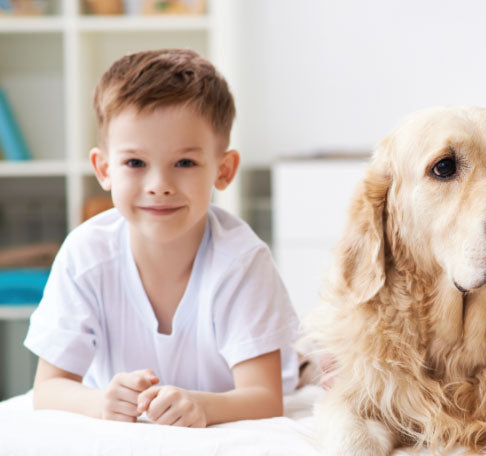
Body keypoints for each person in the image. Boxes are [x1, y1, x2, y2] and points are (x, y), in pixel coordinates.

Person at [25, 49, 300, 427]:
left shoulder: (242, 260)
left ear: (223, 170)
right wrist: (101, 402)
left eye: (185, 163)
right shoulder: (85, 254)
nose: (159, 186)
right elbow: (49, 388)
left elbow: (266, 398)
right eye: (135, 163)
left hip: (228, 394)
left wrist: (203, 406)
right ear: (104, 170)